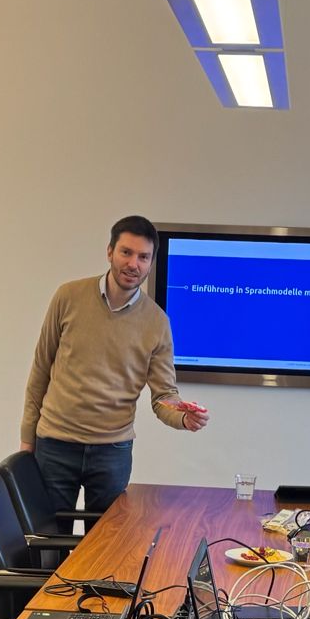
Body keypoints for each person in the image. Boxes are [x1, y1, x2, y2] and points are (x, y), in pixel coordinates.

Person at [19, 214, 210, 514]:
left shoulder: (157, 322)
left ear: (151, 263)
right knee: (48, 539)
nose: (134, 264)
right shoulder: (68, 297)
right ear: (110, 252)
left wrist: (184, 418)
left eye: (143, 257)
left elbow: (163, 397)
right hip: (55, 444)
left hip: (112, 452)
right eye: (126, 252)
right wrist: (26, 438)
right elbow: (41, 370)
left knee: (107, 541)